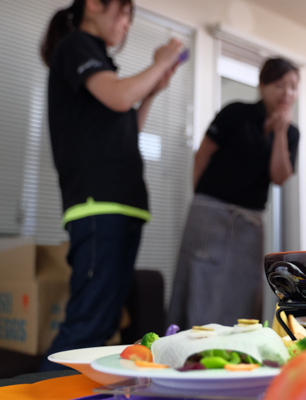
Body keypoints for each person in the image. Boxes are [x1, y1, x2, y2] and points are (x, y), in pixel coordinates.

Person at [40, 0, 183, 370]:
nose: (126, 25)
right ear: (93, 5)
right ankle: (38, 392)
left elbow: (125, 127)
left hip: (119, 206)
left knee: (102, 325)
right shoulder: (76, 45)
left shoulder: (99, 61)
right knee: (86, 325)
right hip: (98, 206)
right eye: (123, 14)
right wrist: (162, 61)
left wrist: (150, 91)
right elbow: (119, 97)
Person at [168, 58, 300, 328]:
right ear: (262, 85)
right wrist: (202, 200)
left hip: (249, 221)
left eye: (293, 87)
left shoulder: (291, 133)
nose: (287, 93)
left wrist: (280, 132)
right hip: (209, 211)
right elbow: (202, 155)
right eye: (279, 85)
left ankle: (236, 348)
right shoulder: (236, 112)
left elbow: (279, 177)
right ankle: (186, 343)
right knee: (198, 282)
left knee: (243, 289)